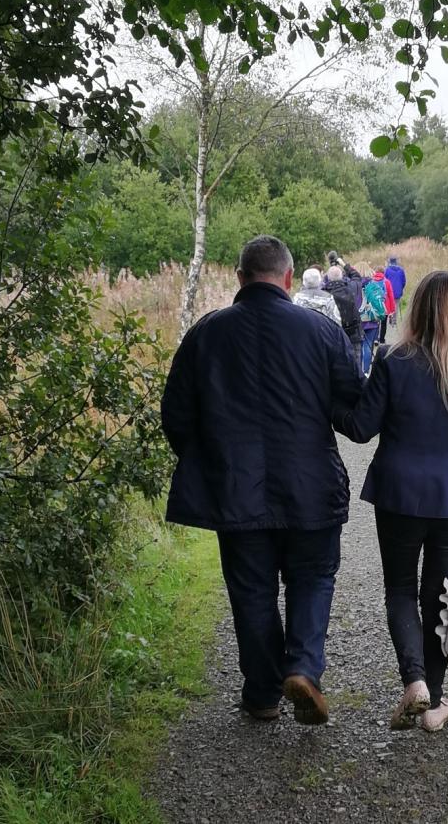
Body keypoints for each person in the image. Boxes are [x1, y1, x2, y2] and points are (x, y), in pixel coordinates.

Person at [161, 236, 363, 725]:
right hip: (312, 485)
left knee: (251, 590)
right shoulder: (320, 332)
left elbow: (176, 416)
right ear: (290, 279)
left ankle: (262, 692)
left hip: (235, 490)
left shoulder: (206, 334)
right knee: (313, 578)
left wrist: (211, 460)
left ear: (239, 277)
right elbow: (352, 404)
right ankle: (304, 668)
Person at [336, 271, 448, 734]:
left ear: (416, 308)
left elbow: (361, 427)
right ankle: (434, 704)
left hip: (399, 496)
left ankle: (415, 681)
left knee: (401, 591)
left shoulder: (392, 359)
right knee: (439, 599)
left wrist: (325, 402)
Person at [325, 264, 363, 362]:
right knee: (356, 364)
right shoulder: (351, 288)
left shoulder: (324, 294)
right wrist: (344, 264)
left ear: (328, 278)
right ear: (342, 276)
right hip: (354, 333)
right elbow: (356, 276)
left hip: (334, 336)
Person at [358, 272, 388, 375]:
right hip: (372, 319)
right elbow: (383, 298)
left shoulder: (353, 285)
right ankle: (365, 372)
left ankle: (358, 371)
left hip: (358, 320)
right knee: (368, 346)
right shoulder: (374, 285)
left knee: (358, 347)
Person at [372, 265, 396, 346]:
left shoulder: (372, 281)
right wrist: (392, 309)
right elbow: (391, 295)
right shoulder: (387, 282)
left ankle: (375, 339)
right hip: (385, 306)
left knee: (375, 323)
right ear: (383, 272)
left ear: (375, 272)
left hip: (374, 306)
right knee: (383, 323)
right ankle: (382, 340)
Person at [384, 256, 407, 325]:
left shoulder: (387, 270)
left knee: (389, 304)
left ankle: (390, 317)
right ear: (396, 262)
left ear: (390, 262)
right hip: (398, 291)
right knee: (396, 306)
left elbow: (384, 280)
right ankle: (394, 320)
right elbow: (404, 281)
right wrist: (401, 288)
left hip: (388, 291)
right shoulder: (401, 270)